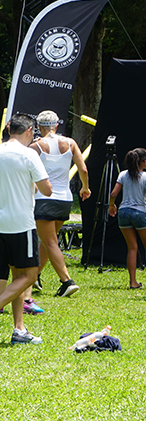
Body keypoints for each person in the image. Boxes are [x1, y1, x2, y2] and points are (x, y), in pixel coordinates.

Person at [0, 114, 52, 345]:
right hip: (20, 224)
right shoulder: (29, 154)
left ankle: (19, 329)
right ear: (30, 130)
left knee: (15, 277)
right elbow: (47, 190)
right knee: (29, 275)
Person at [30, 110, 89, 297]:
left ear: (39, 127)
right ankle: (35, 276)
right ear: (56, 125)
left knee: (49, 241)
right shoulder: (70, 143)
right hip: (64, 199)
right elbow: (83, 169)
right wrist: (85, 188)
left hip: (44, 199)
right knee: (50, 241)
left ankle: (66, 281)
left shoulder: (36, 146)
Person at [109, 148, 146, 290]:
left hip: (123, 212)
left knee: (132, 247)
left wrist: (112, 206)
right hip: (139, 213)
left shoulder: (123, 175)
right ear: (143, 161)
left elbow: (113, 194)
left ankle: (133, 282)